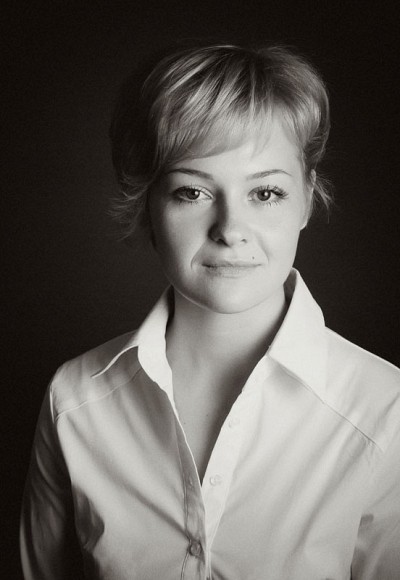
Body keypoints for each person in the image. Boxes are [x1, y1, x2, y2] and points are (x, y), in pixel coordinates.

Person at [20, 43, 400, 580]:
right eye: (193, 192)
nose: (230, 230)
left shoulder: (386, 412)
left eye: (265, 193)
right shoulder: (74, 399)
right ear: (147, 203)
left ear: (307, 199)